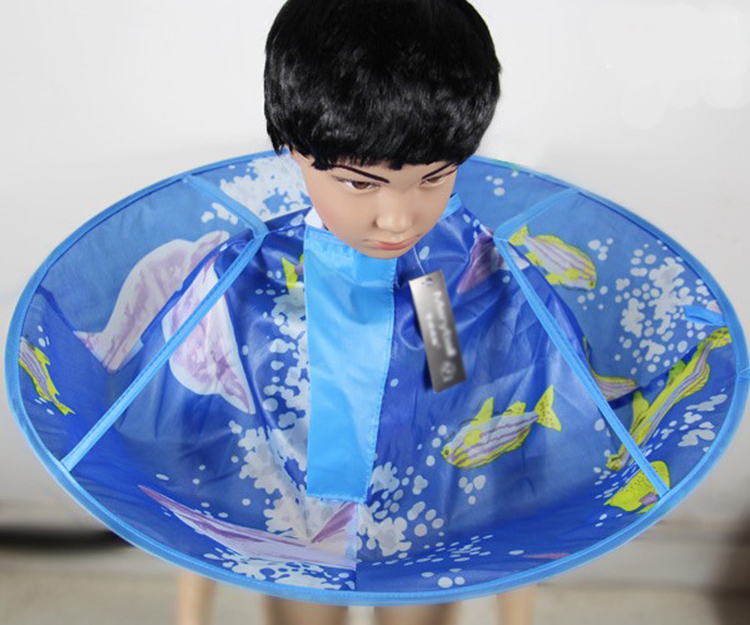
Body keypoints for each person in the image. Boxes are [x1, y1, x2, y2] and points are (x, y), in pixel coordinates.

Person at [176, 1, 538, 624]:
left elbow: (470, 422)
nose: (397, 219)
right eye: (359, 183)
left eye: (434, 178)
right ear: (295, 150)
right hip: (295, 521)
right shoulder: (245, 285)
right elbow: (199, 456)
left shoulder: (440, 280)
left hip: (419, 516)